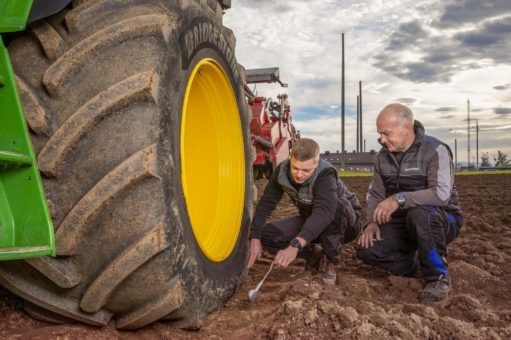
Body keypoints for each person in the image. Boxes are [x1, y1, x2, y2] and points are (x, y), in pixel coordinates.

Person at [357, 103, 463, 301]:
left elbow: (441, 195)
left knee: (420, 214)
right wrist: (371, 222)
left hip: (441, 218)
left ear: (407, 127)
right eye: (380, 134)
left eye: (387, 133)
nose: (382, 139)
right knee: (367, 248)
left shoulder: (436, 150)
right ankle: (413, 264)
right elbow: (376, 193)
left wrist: (399, 198)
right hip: (405, 221)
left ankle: (438, 277)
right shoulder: (383, 157)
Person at [248, 138, 361, 285]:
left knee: (337, 206)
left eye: (306, 170)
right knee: (267, 235)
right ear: (290, 159)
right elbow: (266, 204)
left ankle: (330, 259)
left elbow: (324, 212)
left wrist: (295, 245)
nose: (299, 175)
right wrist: (255, 236)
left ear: (316, 162)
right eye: (295, 168)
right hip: (311, 218)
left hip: (345, 224)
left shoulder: (325, 174)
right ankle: (313, 252)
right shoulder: (282, 171)